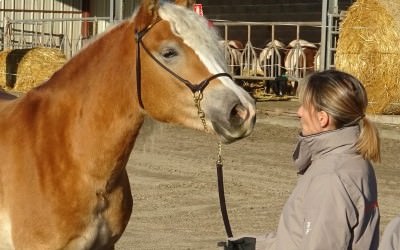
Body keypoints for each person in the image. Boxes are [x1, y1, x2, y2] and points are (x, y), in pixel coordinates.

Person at [257, 69, 381, 250]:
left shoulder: (331, 177)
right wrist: (256, 245)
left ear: (322, 118)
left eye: (304, 106)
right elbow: (300, 237)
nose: (299, 112)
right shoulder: (351, 159)